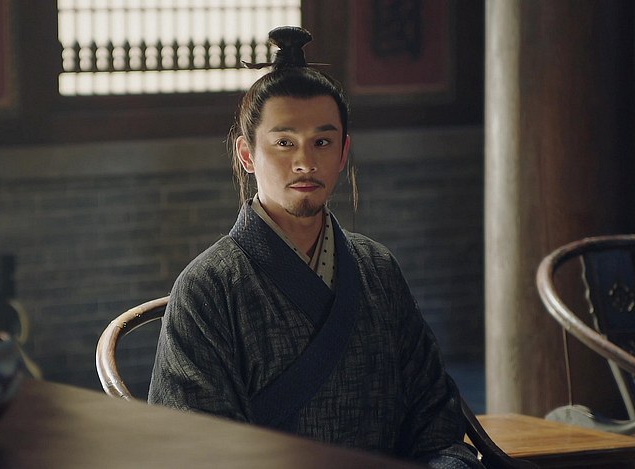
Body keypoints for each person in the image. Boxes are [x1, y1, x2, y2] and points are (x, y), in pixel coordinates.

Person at [148, 26, 483, 468]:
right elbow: (196, 450)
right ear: (247, 155)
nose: (305, 162)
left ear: (343, 153)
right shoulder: (208, 287)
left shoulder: (378, 269)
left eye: (322, 142)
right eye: (284, 143)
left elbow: (436, 425)